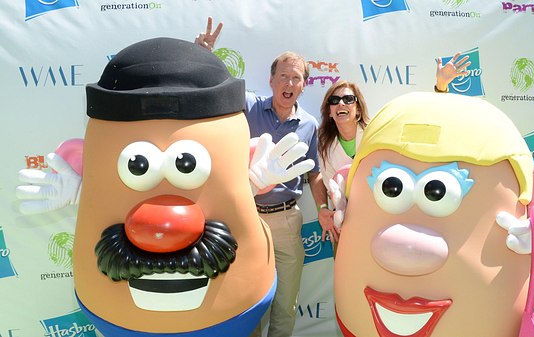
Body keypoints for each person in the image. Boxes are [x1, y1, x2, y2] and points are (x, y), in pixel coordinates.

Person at [195, 17, 329, 337]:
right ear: (271, 80)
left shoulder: (309, 124)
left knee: (286, 301)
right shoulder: (250, 105)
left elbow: (314, 174)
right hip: (245, 217)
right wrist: (206, 54)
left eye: (296, 77)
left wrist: (324, 209)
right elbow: (220, 88)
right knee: (247, 299)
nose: (289, 82)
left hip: (286, 219)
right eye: (283, 75)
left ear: (303, 85)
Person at [316, 54, 471, 244]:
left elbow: (422, 126)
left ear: (358, 108)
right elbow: (333, 191)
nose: (341, 103)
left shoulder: (377, 132)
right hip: (347, 227)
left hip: (385, 222)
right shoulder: (324, 147)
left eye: (348, 99)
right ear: (329, 112)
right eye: (334, 100)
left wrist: (441, 87)